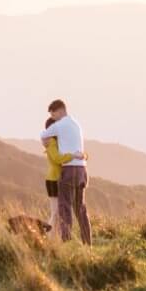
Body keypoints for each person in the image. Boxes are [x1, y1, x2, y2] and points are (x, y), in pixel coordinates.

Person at [39, 99, 91, 244]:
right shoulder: (76, 124)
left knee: (64, 207)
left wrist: (45, 140)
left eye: (53, 115)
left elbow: (43, 134)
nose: (53, 119)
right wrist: (82, 155)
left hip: (69, 169)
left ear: (59, 110)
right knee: (80, 208)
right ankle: (87, 243)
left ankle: (66, 243)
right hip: (82, 169)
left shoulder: (60, 125)